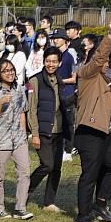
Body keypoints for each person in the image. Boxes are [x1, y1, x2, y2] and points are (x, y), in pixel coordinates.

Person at [72, 21, 111, 222]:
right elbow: (99, 59)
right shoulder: (88, 73)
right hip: (89, 131)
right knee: (90, 173)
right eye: (108, 60)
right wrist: (110, 36)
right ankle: (83, 214)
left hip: (108, 132)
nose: (109, 63)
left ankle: (100, 203)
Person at [0, 59, 33, 220]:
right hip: (1, 139)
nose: (10, 73)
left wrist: (24, 134)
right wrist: (0, 103)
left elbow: (22, 112)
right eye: (6, 71)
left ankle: (20, 208)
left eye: (12, 70)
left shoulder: (19, 90)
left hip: (18, 138)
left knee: (25, 172)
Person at [27, 47, 73, 213]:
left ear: (59, 63)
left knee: (57, 169)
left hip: (59, 131)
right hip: (43, 131)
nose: (51, 64)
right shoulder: (34, 81)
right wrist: (35, 134)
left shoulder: (59, 80)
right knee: (47, 165)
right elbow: (31, 109)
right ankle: (26, 190)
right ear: (44, 61)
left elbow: (61, 105)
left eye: (54, 61)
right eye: (48, 61)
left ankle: (49, 202)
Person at [50, 29, 78, 161]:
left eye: (58, 38)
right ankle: (58, 148)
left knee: (68, 123)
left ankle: (68, 150)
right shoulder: (55, 55)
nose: (55, 40)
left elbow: (74, 78)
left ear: (65, 40)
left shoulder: (69, 56)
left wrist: (60, 81)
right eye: (54, 38)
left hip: (67, 93)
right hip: (56, 93)